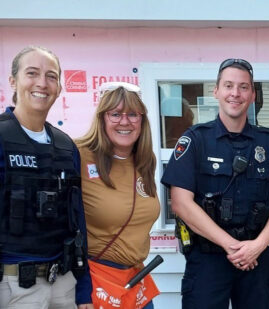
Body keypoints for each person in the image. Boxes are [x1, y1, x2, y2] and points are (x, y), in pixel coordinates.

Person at [161, 58, 269, 309]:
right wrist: (233, 247)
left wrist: (257, 246)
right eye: (229, 86)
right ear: (216, 91)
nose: (236, 93)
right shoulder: (195, 140)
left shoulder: (268, 143)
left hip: (256, 260)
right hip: (208, 260)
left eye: (244, 87)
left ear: (253, 95)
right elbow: (180, 203)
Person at [0, 46, 93, 308]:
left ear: (59, 87)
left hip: (63, 286)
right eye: (32, 73)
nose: (42, 83)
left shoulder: (66, 146)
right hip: (13, 287)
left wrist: (83, 287)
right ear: (13, 81)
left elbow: (78, 221)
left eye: (51, 76)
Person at [76, 82, 161, 309]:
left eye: (133, 114)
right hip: (97, 284)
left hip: (136, 282)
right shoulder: (79, 154)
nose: (125, 121)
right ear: (102, 117)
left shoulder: (145, 160)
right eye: (115, 114)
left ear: (142, 120)